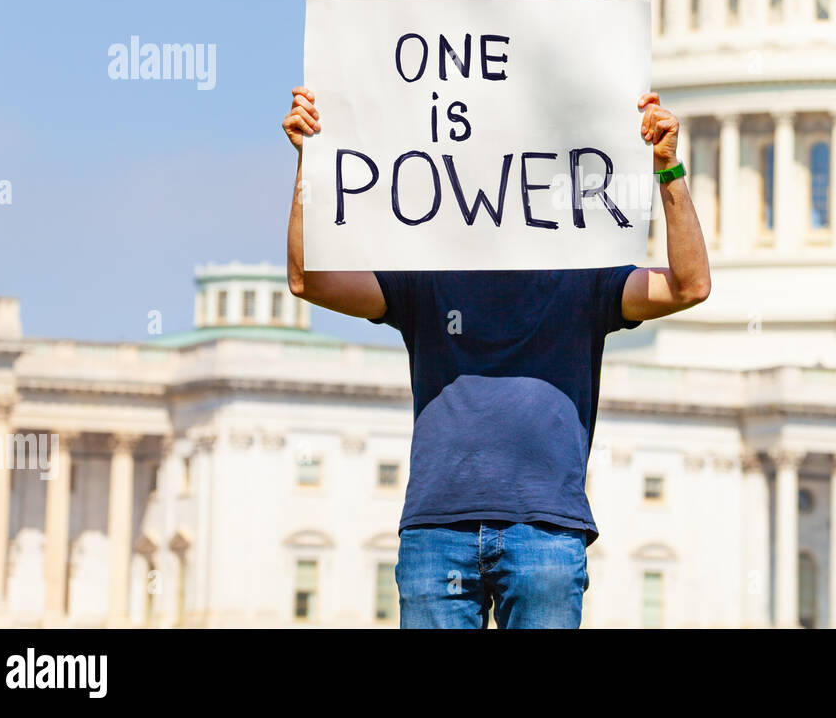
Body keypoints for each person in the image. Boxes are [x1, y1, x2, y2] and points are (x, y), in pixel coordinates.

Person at [283, 85, 710, 628]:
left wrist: (668, 171)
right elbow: (308, 280)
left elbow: (690, 286)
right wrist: (311, 164)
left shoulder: (585, 282)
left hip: (545, 532)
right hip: (438, 531)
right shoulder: (425, 278)